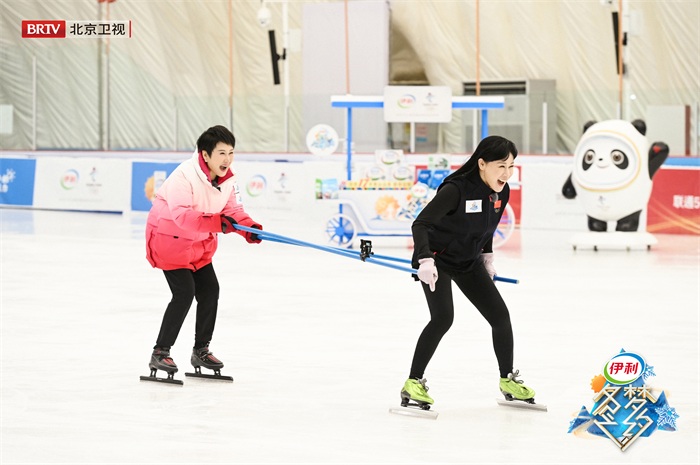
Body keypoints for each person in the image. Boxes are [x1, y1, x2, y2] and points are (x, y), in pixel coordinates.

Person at [400, 135, 536, 408]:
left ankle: (507, 378)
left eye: (511, 166)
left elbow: (488, 225)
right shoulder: (456, 189)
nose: (507, 173)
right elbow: (421, 225)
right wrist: (425, 260)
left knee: (500, 316)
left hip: (468, 261)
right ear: (482, 163)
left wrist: (487, 256)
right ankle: (413, 382)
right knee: (442, 318)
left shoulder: (501, 191)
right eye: (502, 166)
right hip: (436, 261)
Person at [144, 125, 262, 379]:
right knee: (184, 292)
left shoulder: (228, 180)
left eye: (231, 152)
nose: (227, 159)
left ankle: (201, 350)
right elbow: (182, 217)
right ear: (205, 155)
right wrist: (218, 223)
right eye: (221, 153)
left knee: (210, 290)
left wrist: (249, 229)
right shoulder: (183, 176)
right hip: (169, 240)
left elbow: (233, 210)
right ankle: (160, 351)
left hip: (198, 243)